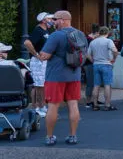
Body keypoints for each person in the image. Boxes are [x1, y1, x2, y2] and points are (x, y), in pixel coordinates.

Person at [39, 10, 83, 146]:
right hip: (74, 74)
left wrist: (40, 53)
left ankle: (50, 136)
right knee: (73, 104)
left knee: (53, 106)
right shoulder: (80, 34)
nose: (52, 21)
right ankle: (73, 135)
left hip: (55, 76)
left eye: (55, 19)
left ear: (63, 20)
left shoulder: (56, 35)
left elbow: (44, 55)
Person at [24, 12, 54, 117]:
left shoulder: (46, 30)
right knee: (38, 85)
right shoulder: (38, 30)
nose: (52, 20)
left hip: (44, 61)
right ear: (44, 20)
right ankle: (36, 107)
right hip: (38, 62)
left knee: (41, 85)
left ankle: (41, 106)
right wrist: (36, 55)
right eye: (50, 19)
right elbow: (27, 43)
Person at [87, 26, 118, 111]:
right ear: (107, 33)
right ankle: (107, 104)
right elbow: (115, 51)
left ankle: (95, 104)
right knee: (107, 85)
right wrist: (114, 59)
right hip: (106, 64)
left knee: (96, 85)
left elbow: (88, 54)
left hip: (96, 64)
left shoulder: (93, 42)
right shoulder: (108, 41)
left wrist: (93, 61)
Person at [83, 24, 99, 108]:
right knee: (90, 83)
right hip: (89, 64)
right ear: (96, 32)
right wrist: (93, 61)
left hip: (92, 63)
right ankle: (88, 101)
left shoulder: (91, 39)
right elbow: (86, 53)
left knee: (95, 82)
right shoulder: (88, 40)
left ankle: (94, 99)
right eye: (98, 34)